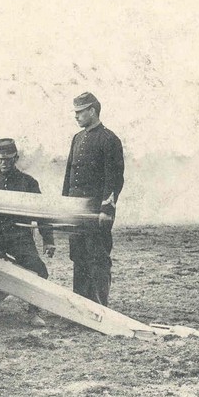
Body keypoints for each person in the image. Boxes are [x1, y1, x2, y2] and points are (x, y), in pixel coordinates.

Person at [0, 138, 54, 327]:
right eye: (0, 159)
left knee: (39, 270)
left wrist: (48, 240)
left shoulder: (28, 183)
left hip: (18, 238)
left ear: (16, 159)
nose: (4, 163)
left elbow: (42, 213)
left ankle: (33, 312)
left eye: (8, 159)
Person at [61, 92, 124, 306]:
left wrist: (107, 210)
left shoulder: (109, 139)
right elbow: (69, 176)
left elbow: (114, 179)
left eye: (80, 112)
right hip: (76, 213)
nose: (76, 116)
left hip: (96, 213)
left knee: (97, 259)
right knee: (78, 259)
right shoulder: (77, 139)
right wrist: (65, 205)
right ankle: (81, 307)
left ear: (92, 111)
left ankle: (100, 308)